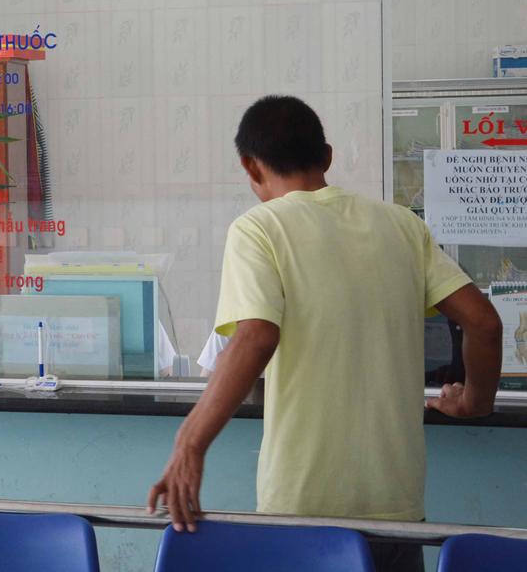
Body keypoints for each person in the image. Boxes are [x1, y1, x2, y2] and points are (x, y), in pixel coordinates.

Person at [147, 95, 501, 572]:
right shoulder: (401, 224)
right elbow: (484, 322)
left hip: (303, 511)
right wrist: (475, 402)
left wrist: (189, 443)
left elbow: (255, 336)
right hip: (397, 507)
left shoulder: (259, 228)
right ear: (327, 157)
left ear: (250, 166)